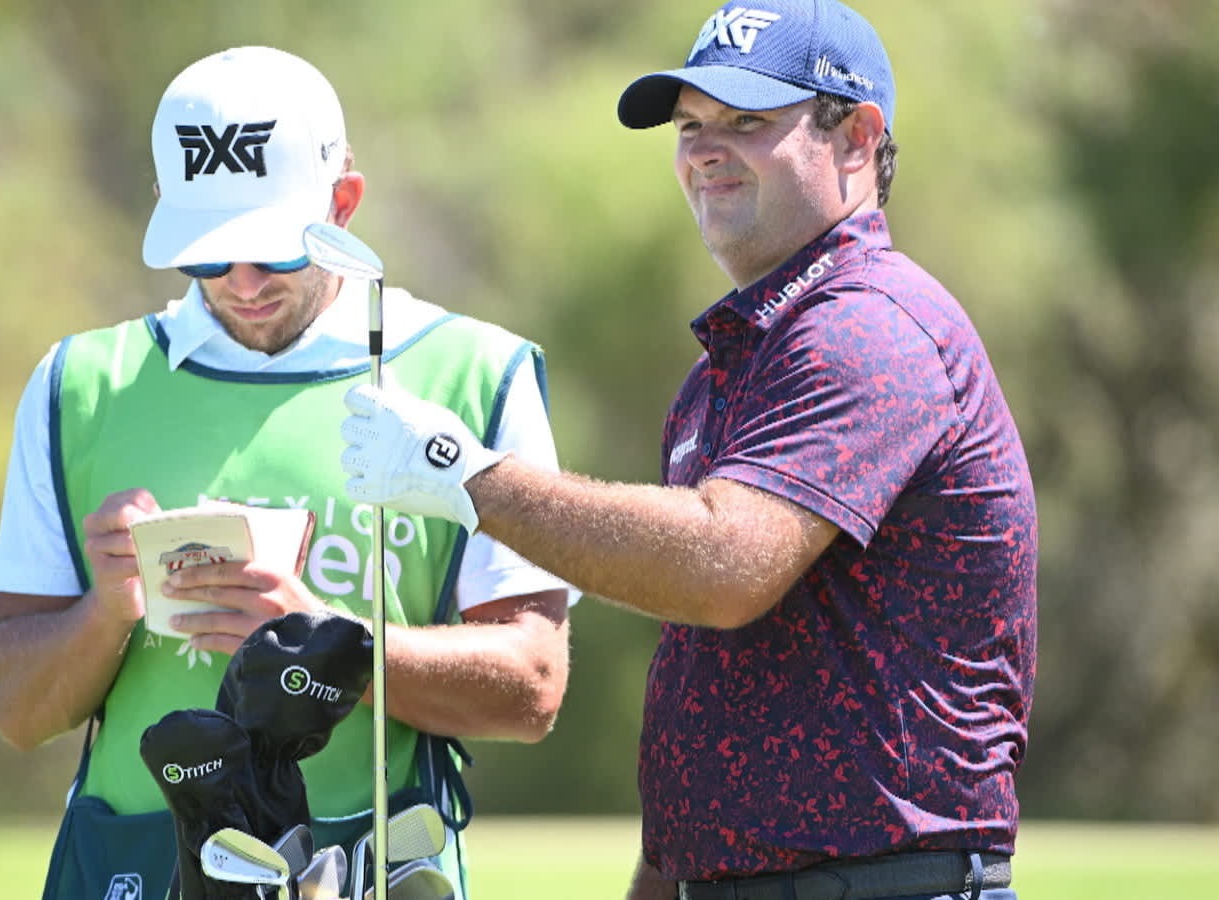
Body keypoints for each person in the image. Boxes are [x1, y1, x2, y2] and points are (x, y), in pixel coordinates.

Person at [338, 2, 1038, 899]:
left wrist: (468, 477)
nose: (705, 150)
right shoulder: (730, 371)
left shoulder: (870, 326)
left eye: (747, 121)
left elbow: (722, 566)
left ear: (858, 139)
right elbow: (711, 692)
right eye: (690, 126)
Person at [0, 45, 571, 900]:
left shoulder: (477, 374)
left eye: (273, 253)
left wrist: (330, 648)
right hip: (129, 870)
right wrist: (105, 611)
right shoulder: (80, 386)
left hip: (373, 869)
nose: (242, 283)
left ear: (345, 201)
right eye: (209, 256)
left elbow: (532, 688)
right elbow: (17, 709)